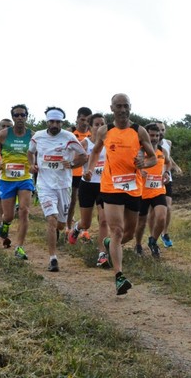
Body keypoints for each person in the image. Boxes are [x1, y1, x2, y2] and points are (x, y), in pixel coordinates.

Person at [84, 93, 156, 295]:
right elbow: (96, 152)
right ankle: (119, 276)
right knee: (117, 230)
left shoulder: (139, 131)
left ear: (130, 107)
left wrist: (145, 163)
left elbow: (152, 158)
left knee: (129, 234)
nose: (123, 110)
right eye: (119, 106)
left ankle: (108, 245)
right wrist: (90, 169)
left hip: (133, 187)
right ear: (112, 108)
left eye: (126, 106)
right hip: (110, 186)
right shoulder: (104, 131)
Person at [28, 107, 87, 272]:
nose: (55, 124)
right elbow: (30, 152)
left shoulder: (69, 137)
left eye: (58, 122)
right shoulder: (38, 136)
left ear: (62, 122)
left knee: (61, 224)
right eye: (52, 121)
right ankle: (53, 258)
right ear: (47, 121)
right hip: (45, 185)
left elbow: (83, 156)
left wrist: (73, 164)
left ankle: (60, 231)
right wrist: (31, 164)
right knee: (52, 220)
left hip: (63, 185)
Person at [0, 105, 35, 259]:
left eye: (22, 115)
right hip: (7, 179)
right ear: (13, 117)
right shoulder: (4, 134)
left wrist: (35, 165)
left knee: (24, 211)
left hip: (25, 178)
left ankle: (19, 247)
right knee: (8, 215)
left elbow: (38, 152)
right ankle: (5, 224)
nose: (20, 117)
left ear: (27, 116)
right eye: (17, 115)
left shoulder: (32, 135)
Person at [68, 113, 110, 267]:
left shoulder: (109, 143)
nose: (100, 127)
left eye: (102, 124)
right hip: (87, 184)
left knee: (104, 220)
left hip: (105, 186)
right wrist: (81, 165)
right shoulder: (84, 143)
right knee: (87, 223)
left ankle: (102, 254)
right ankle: (77, 228)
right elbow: (75, 161)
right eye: (97, 124)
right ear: (91, 127)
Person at [134, 123, 170, 258]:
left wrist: (166, 173)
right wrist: (139, 171)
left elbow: (168, 162)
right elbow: (130, 165)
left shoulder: (162, 151)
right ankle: (137, 245)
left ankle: (153, 241)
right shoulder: (140, 151)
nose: (154, 138)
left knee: (161, 217)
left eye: (156, 135)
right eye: (151, 135)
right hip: (142, 192)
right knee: (141, 222)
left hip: (158, 190)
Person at [154, 121, 182, 248]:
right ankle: (152, 236)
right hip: (152, 179)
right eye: (158, 129)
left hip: (166, 179)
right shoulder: (148, 142)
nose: (160, 132)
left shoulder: (168, 143)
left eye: (163, 129)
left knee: (168, 207)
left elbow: (168, 158)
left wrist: (175, 167)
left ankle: (165, 234)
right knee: (151, 211)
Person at [67, 107, 93, 240]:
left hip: (85, 174)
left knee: (85, 204)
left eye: (87, 120)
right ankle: (67, 226)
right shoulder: (71, 133)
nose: (84, 123)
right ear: (77, 119)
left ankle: (84, 230)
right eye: (82, 119)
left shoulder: (92, 135)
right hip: (72, 172)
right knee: (72, 201)